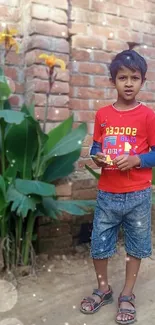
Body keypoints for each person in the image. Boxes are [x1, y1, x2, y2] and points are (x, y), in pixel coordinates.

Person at [80, 49, 155, 324]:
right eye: (122, 77)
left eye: (134, 77)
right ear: (113, 81)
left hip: (138, 194)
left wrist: (138, 159)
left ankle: (127, 294)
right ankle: (103, 289)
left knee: (136, 247)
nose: (128, 83)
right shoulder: (103, 114)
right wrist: (96, 158)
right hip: (107, 194)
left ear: (142, 81)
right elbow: (96, 147)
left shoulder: (148, 116)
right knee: (100, 245)